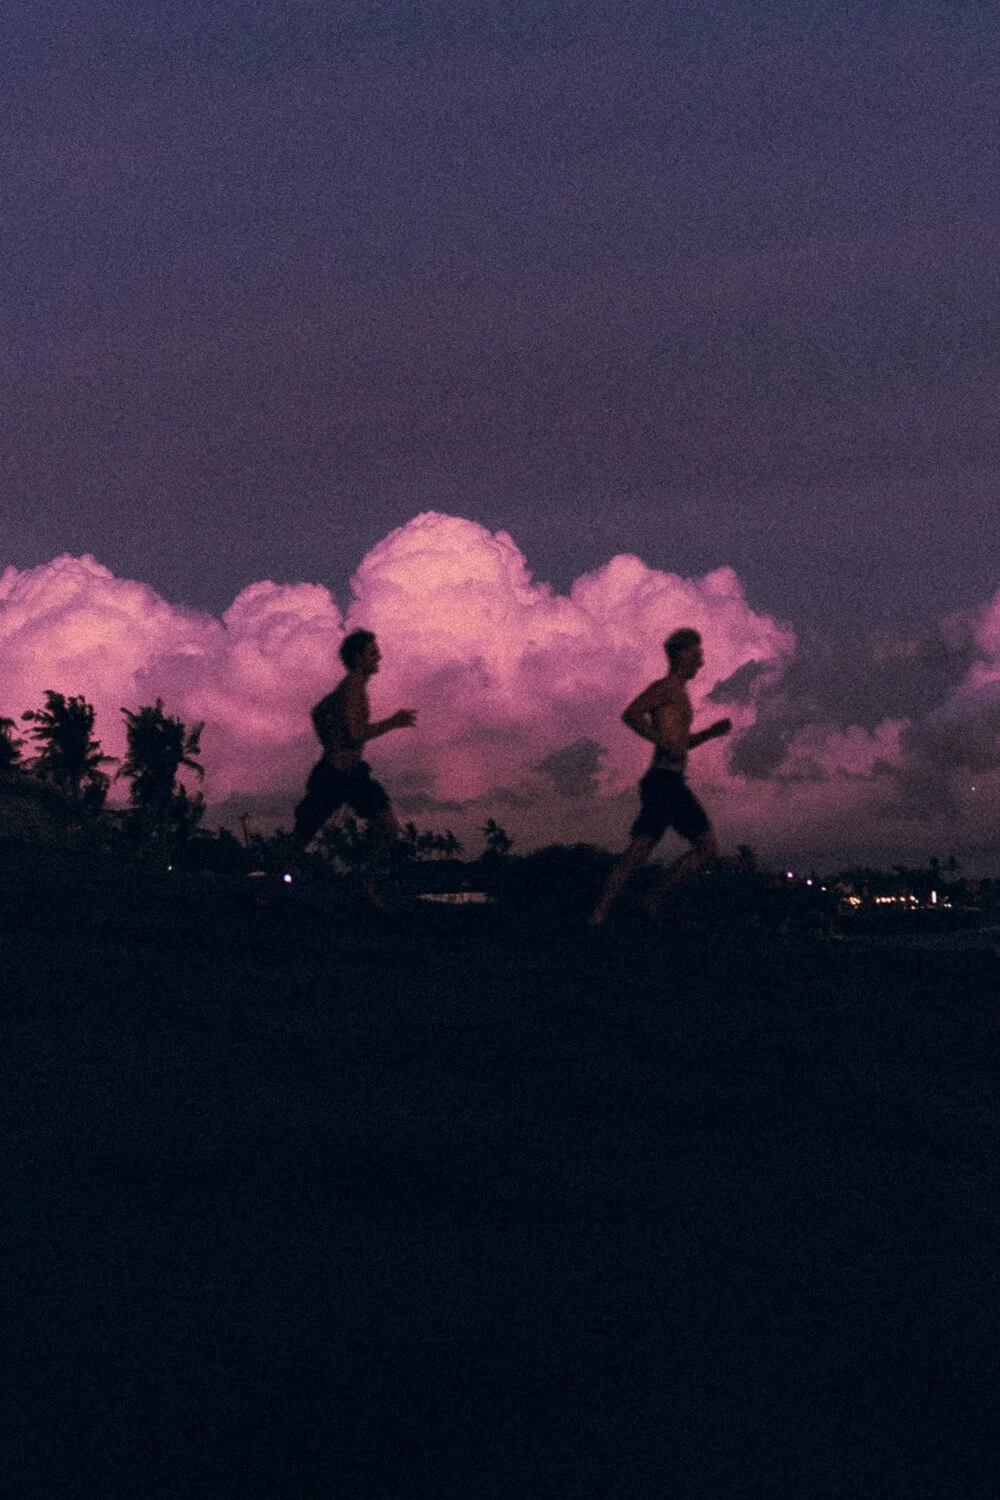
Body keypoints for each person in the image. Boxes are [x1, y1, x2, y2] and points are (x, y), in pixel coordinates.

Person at [588, 627, 731, 926]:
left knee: (641, 850)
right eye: (696, 655)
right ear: (680, 656)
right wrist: (660, 740)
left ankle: (604, 912)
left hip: (668, 780)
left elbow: (681, 742)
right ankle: (641, 901)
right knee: (705, 848)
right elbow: (631, 713)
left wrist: (710, 733)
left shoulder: (679, 694)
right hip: (664, 782)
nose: (701, 662)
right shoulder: (665, 688)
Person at [290, 630, 417, 902]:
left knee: (387, 827)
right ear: (358, 658)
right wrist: (393, 722)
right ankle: (265, 891)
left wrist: (327, 738)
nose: (379, 656)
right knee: (302, 836)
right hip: (334, 775)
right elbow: (354, 734)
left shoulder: (354, 687)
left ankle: (368, 888)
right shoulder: (351, 689)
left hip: (354, 773)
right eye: (372, 652)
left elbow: (318, 712)